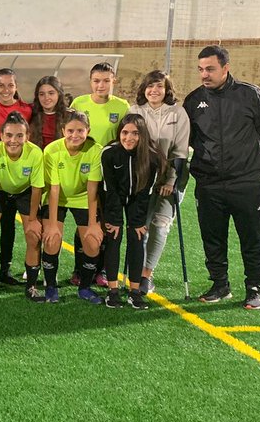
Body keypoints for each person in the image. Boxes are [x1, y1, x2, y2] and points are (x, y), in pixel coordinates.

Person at [182, 44, 260, 309]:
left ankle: (254, 288)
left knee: (252, 237)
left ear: (225, 68)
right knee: (213, 237)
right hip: (209, 183)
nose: (204, 75)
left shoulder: (250, 95)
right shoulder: (193, 100)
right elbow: (190, 139)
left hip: (246, 182)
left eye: (210, 69)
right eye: (200, 69)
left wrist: (243, 160)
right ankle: (220, 284)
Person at [130, 69, 191, 295]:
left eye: (159, 87)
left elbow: (180, 150)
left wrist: (171, 180)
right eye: (150, 86)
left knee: (160, 225)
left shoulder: (178, 113)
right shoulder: (135, 111)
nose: (154, 91)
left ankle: (147, 274)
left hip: (170, 181)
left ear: (166, 90)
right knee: (141, 227)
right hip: (143, 181)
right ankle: (135, 271)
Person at [70, 62, 130, 287]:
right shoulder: (79, 103)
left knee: (106, 222)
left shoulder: (122, 106)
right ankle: (79, 269)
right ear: (90, 82)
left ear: (113, 81)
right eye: (96, 80)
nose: (101, 85)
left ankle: (102, 270)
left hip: (111, 175)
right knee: (85, 222)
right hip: (84, 173)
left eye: (106, 80)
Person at [39, 113, 104, 305]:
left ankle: (84, 287)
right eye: (70, 131)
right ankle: (51, 286)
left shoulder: (95, 150)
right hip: (57, 198)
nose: (75, 135)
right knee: (52, 239)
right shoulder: (52, 150)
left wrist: (93, 224)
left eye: (80, 131)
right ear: (62, 131)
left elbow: (92, 190)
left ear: (88, 131)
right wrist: (51, 224)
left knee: (92, 242)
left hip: (83, 198)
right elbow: (54, 189)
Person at [100, 115, 164, 310]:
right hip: (114, 199)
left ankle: (134, 292)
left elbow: (146, 192)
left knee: (136, 237)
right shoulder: (109, 153)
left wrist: (137, 222)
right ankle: (112, 291)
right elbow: (109, 188)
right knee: (115, 236)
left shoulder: (152, 157)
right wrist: (115, 220)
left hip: (137, 200)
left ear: (142, 135)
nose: (129, 138)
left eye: (135, 133)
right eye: (125, 132)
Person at [0, 111, 44, 296]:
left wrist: (32, 219)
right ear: (1, 136)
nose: (13, 140)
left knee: (33, 234)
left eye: (19, 135)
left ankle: (31, 286)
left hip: (24, 193)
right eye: (8, 135)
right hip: (0, 192)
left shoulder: (35, 153)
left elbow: (37, 188)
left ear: (27, 136)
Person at [27, 75, 71, 150]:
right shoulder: (30, 113)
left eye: (51, 93)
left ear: (59, 94)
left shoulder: (69, 116)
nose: (46, 98)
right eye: (42, 94)